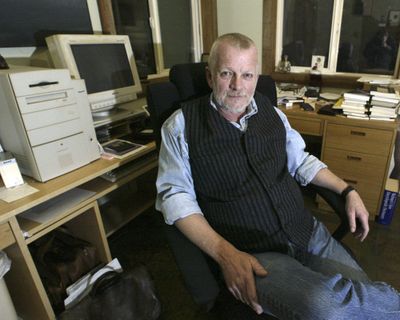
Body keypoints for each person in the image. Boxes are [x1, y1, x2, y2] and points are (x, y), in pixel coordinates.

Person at [156, 33, 400, 319]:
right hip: (252, 254)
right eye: (226, 74)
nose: (238, 86)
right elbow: (175, 199)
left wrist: (347, 191)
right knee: (329, 308)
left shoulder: (273, 113)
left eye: (247, 75)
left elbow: (302, 162)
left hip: (306, 232)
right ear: (210, 77)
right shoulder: (181, 126)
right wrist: (225, 255)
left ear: (256, 77)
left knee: (371, 307)